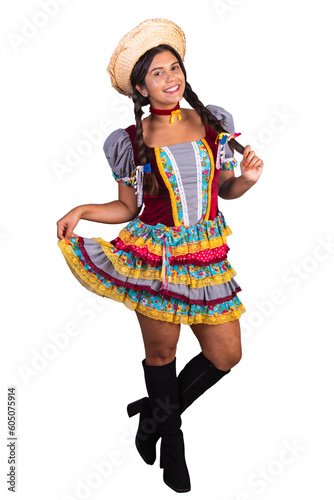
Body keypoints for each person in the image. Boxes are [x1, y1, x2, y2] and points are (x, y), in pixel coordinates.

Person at [56, 18, 263, 494]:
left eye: (176, 68)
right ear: (140, 87)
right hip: (157, 258)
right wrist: (83, 209)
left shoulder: (214, 122)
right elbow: (129, 207)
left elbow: (224, 191)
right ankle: (173, 442)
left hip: (207, 254)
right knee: (162, 352)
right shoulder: (131, 141)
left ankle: (152, 416)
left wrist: (246, 182)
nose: (171, 78)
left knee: (226, 354)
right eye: (157, 73)